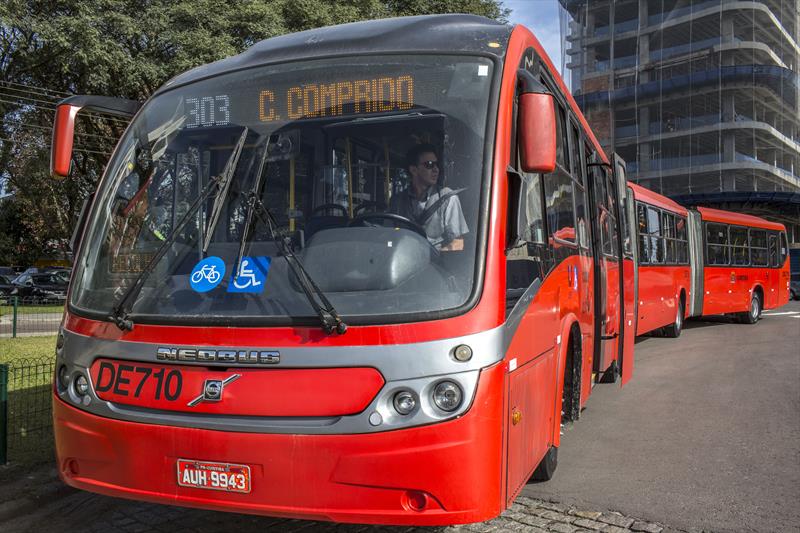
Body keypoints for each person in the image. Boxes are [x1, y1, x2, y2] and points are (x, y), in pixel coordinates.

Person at [389, 143, 468, 251]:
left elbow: (457, 244)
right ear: (413, 170)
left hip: (435, 260)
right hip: (403, 258)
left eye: (437, 165)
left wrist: (432, 256)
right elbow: (389, 237)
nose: (436, 169)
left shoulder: (448, 198)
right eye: (429, 165)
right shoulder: (397, 201)